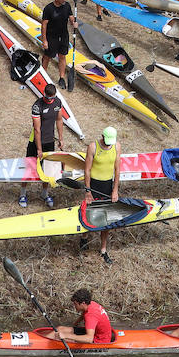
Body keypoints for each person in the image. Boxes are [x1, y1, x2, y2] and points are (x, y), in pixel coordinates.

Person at [22, 82, 67, 208]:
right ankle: (23, 194)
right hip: (35, 141)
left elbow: (59, 120)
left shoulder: (57, 102)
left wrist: (61, 139)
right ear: (44, 95)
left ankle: (44, 193)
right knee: (30, 167)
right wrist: (39, 149)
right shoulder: (37, 106)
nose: (49, 100)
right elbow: (37, 130)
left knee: (48, 169)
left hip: (49, 140)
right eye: (47, 98)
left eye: (51, 98)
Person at [82, 126, 121, 264]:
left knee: (106, 218)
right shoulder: (93, 147)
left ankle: (103, 249)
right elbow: (87, 170)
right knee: (89, 214)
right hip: (94, 184)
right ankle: (84, 237)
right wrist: (88, 191)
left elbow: (117, 170)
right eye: (107, 140)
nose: (109, 143)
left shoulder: (116, 146)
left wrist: (115, 189)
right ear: (102, 136)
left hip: (107, 185)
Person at [46, 289, 112, 344]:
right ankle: (42, 340)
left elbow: (89, 339)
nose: (74, 306)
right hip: (98, 334)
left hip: (100, 341)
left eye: (75, 304)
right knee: (60, 329)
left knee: (59, 338)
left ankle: (42, 343)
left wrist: (66, 335)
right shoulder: (91, 304)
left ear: (83, 303)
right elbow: (84, 314)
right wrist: (75, 324)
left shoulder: (90, 316)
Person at [40, 0, 76, 89]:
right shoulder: (48, 8)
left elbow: (71, 16)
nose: (65, 0)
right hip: (51, 37)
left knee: (62, 57)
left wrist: (73, 22)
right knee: (47, 56)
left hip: (64, 36)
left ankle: (61, 78)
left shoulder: (67, 5)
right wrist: (44, 40)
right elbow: (44, 25)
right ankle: (43, 75)